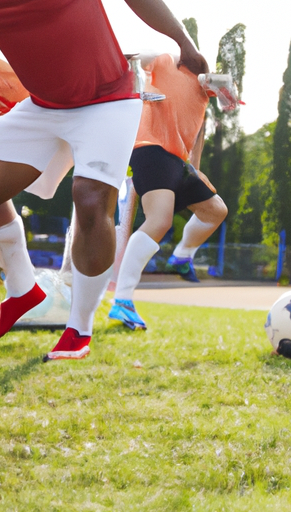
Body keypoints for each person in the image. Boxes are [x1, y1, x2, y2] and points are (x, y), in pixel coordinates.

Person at [0, 0, 207, 361]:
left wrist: (183, 40)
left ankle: (79, 328)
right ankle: (22, 290)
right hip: (41, 106)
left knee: (91, 200)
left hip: (108, 100)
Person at [108, 52, 227, 330]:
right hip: (150, 148)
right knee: (159, 221)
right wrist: (133, 86)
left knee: (215, 211)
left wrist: (194, 170)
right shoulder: (165, 61)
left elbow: (197, 134)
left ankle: (182, 255)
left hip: (178, 161)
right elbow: (131, 57)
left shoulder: (202, 92)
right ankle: (122, 301)